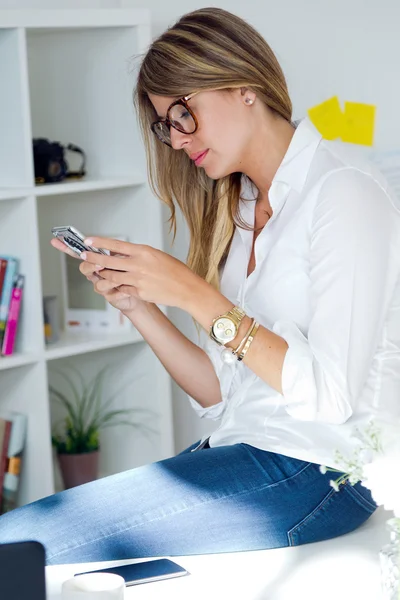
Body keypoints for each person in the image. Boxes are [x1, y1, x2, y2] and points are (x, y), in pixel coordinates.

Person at [0, 6, 398, 566]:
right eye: (166, 126)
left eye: (182, 114)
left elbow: (331, 397)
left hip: (323, 471)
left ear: (242, 86)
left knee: (22, 544)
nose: (178, 139)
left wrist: (194, 293)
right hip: (251, 451)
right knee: (37, 541)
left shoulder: (343, 191)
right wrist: (140, 306)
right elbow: (221, 393)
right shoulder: (240, 211)